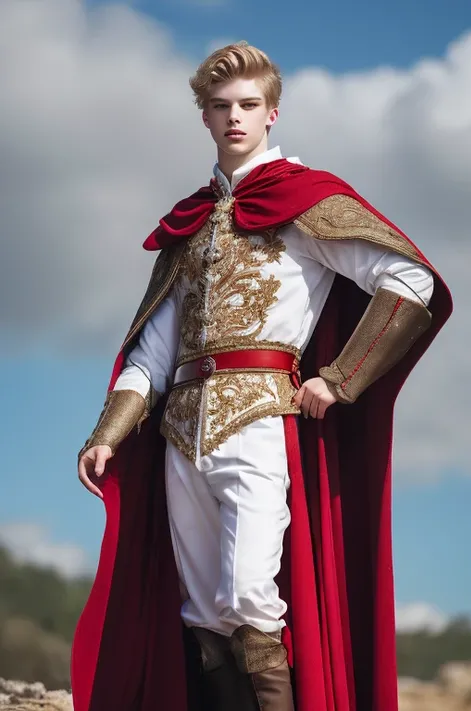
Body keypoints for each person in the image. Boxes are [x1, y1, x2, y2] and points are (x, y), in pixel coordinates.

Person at [72, 42, 451, 711]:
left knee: (250, 595)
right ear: (205, 118)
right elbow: (152, 354)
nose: (235, 117)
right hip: (181, 426)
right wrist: (107, 432)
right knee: (202, 616)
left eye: (248, 105)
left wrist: (338, 378)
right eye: (221, 107)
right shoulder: (189, 229)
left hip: (258, 419)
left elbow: (409, 281)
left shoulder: (306, 201)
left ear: (272, 113)